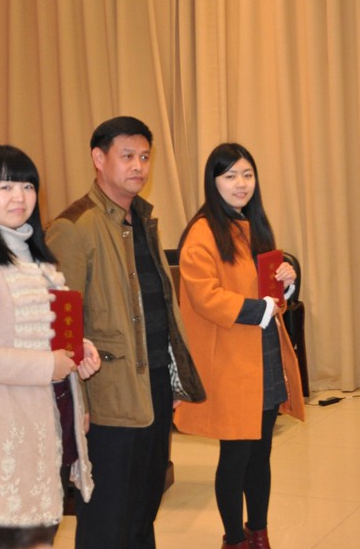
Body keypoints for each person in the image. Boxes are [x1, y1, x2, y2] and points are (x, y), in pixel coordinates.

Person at [46, 116, 206, 549]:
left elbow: (158, 307)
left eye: (145, 157)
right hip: (106, 396)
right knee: (106, 517)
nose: (138, 166)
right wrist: (77, 402)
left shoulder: (142, 219)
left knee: (143, 509)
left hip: (152, 384)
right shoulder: (74, 227)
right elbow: (61, 326)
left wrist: (171, 376)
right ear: (99, 159)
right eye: (128, 156)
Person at [0, 144, 101, 530]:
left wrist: (78, 349)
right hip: (6, 428)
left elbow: (45, 334)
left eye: (27, 186)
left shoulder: (36, 257)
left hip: (50, 420)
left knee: (45, 529)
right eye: (5, 186)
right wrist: (48, 365)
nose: (19, 196)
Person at [173, 143, 306, 549]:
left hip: (262, 353)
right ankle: (233, 540)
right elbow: (205, 296)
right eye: (230, 176)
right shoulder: (202, 232)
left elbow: (268, 292)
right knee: (235, 455)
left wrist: (286, 282)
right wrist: (258, 309)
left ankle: (259, 533)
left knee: (261, 452)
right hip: (231, 360)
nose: (241, 184)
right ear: (213, 182)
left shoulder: (254, 224)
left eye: (247, 174)